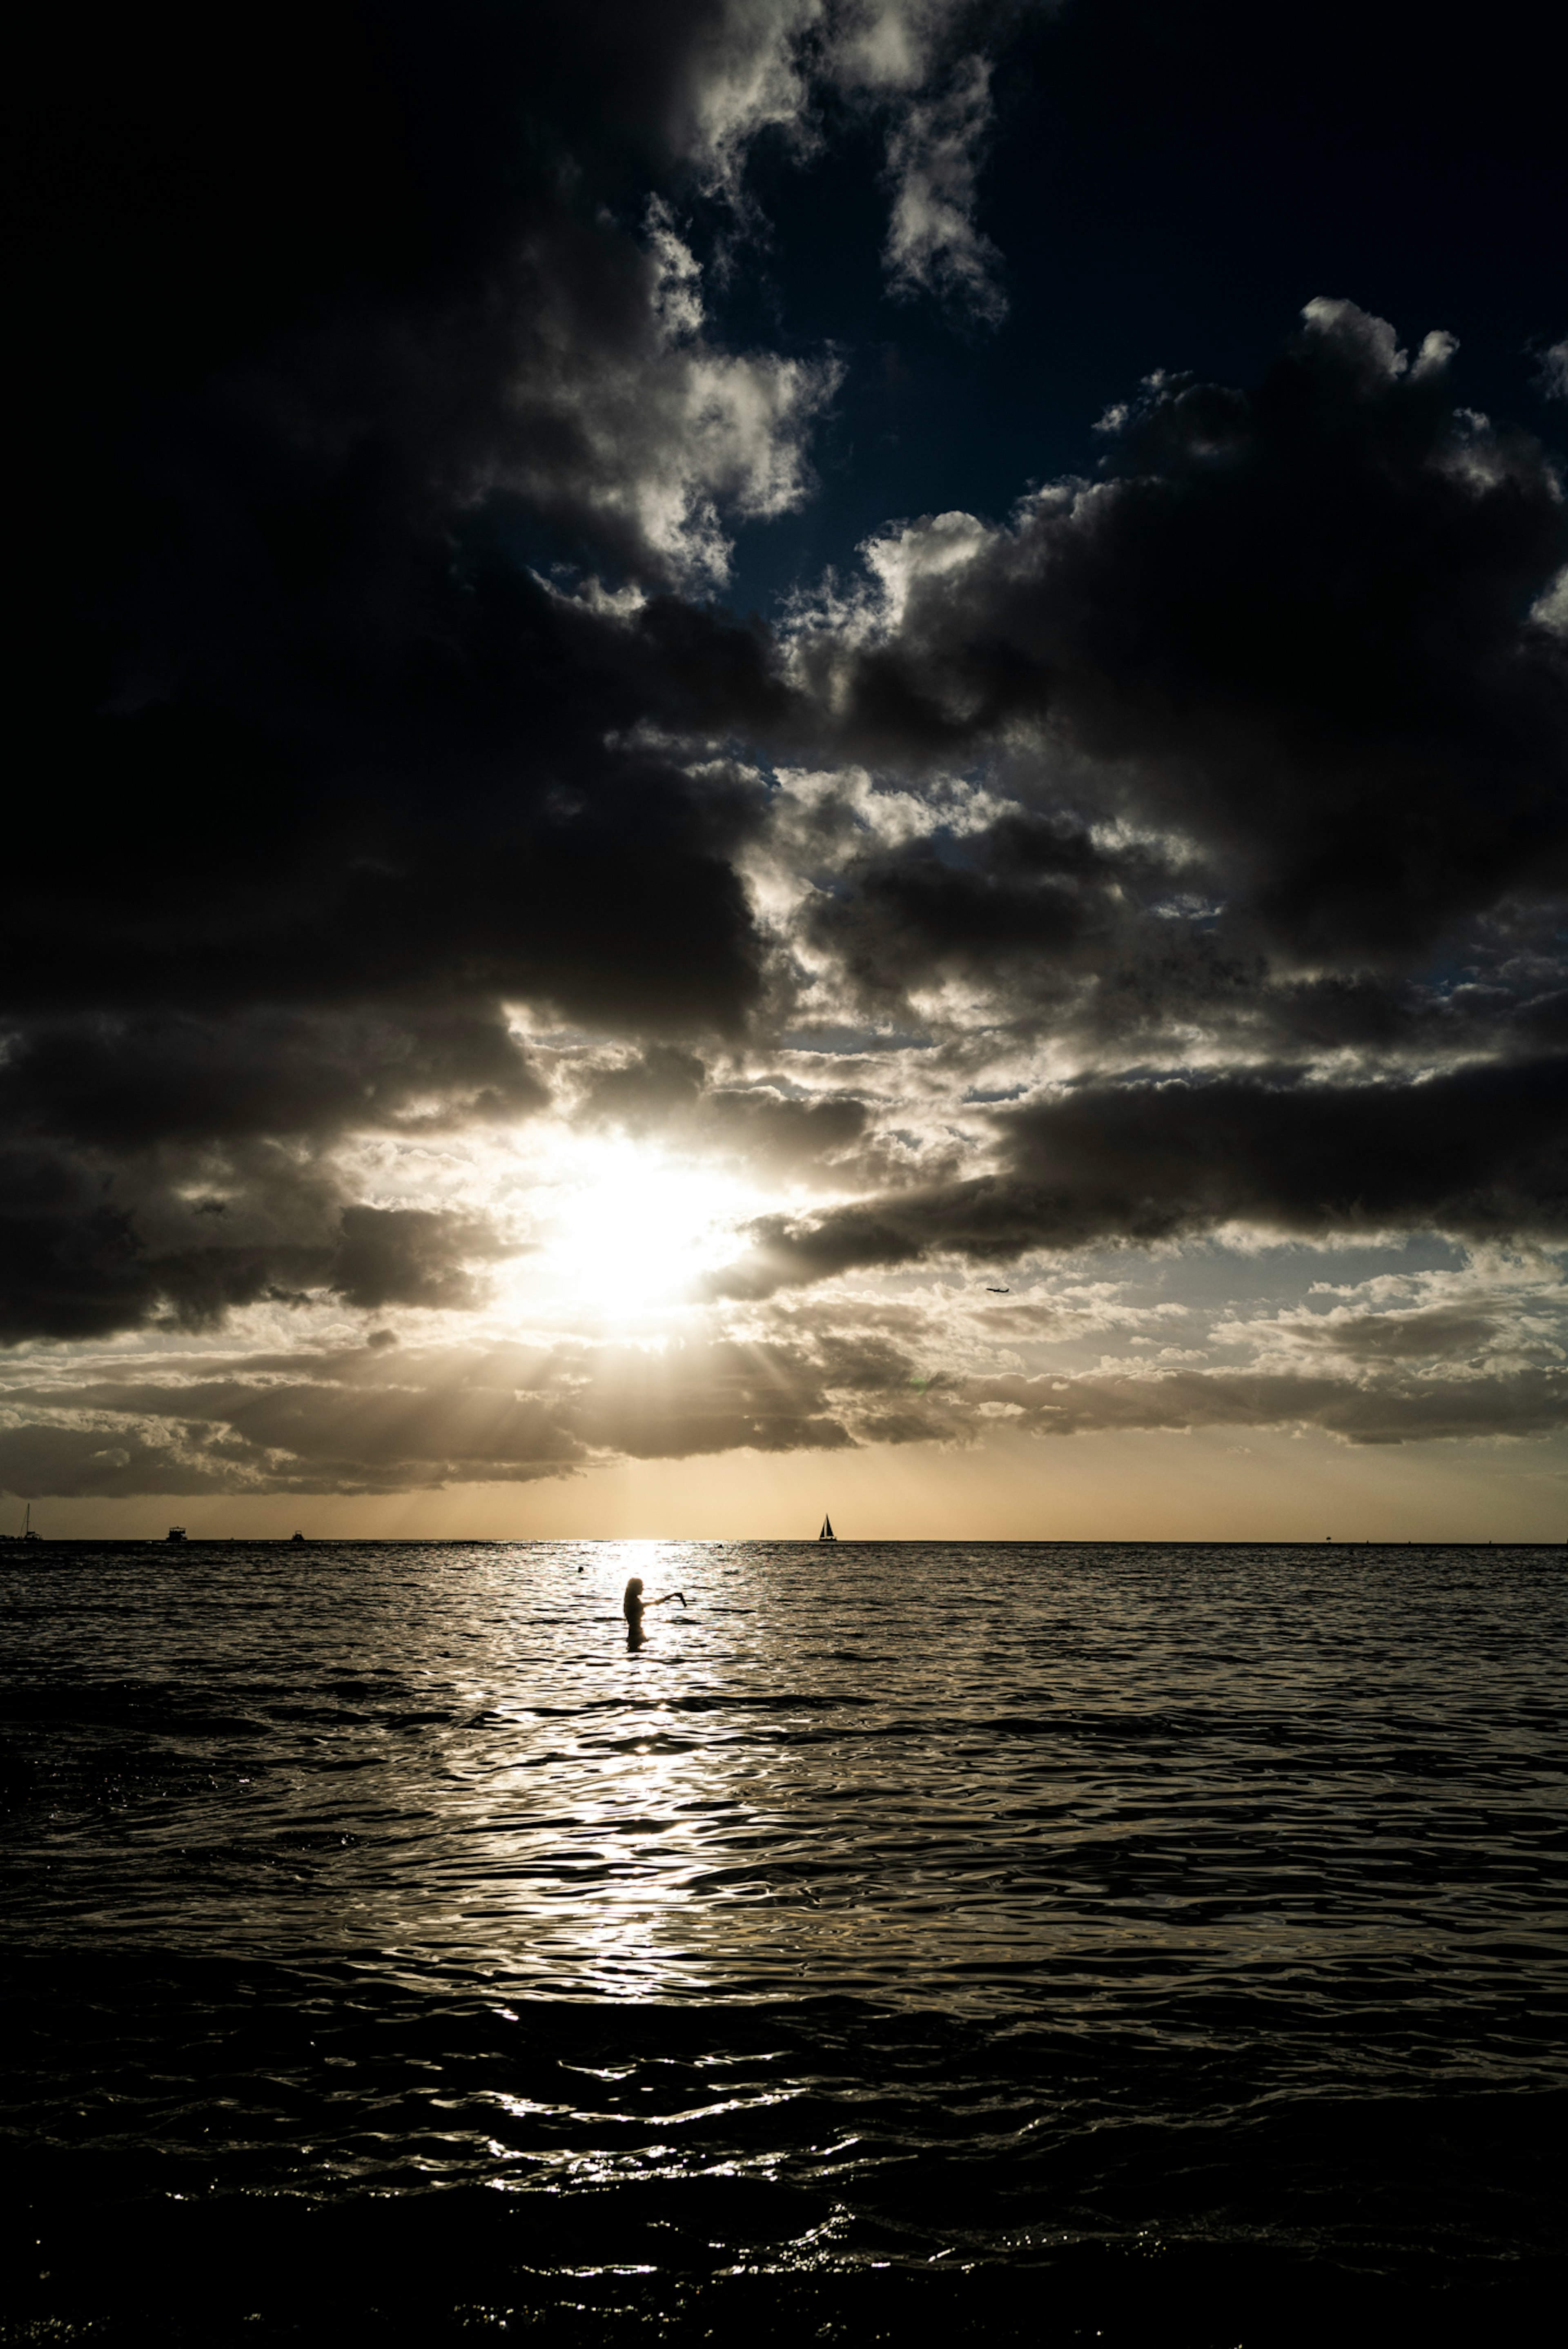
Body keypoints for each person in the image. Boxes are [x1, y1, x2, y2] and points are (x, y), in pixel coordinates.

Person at [623, 1575, 684, 1646]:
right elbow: (656, 1603)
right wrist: (672, 1596)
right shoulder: (633, 1603)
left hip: (635, 1634)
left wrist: (672, 1596)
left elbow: (655, 1603)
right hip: (636, 1635)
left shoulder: (632, 1602)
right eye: (641, 1586)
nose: (643, 1589)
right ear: (635, 1588)